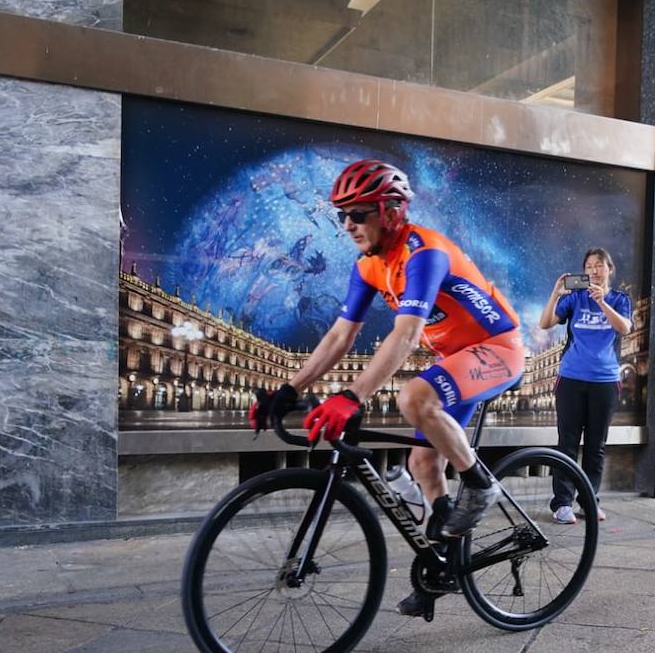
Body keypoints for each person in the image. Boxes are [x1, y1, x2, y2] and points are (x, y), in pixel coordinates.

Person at [250, 159, 525, 616]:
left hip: (498, 349)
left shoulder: (425, 253)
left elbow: (406, 335)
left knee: (414, 397)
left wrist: (352, 396)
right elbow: (341, 336)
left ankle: (480, 486)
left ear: (392, 211)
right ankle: (444, 568)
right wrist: (289, 390)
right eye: (343, 215)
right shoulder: (369, 267)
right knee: (422, 462)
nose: (348, 224)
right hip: (457, 358)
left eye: (359, 213)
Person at [538, 247, 634, 524]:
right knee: (567, 443)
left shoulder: (619, 299)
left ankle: (589, 500)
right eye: (589, 266)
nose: (593, 270)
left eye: (599, 265)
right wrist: (556, 293)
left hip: (604, 381)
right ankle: (562, 503)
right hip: (571, 378)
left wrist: (603, 302)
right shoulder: (575, 299)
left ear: (609, 269)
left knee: (596, 445)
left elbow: (624, 328)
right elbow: (545, 323)